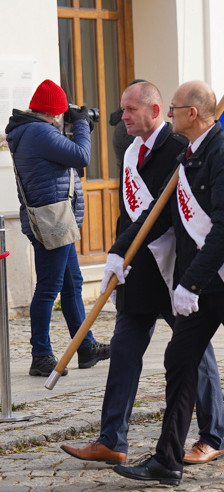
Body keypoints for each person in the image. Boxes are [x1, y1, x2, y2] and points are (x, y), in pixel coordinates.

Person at [104, 80, 224, 486]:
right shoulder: (190, 154)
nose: (169, 115)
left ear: (193, 113)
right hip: (200, 286)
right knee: (179, 364)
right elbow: (160, 214)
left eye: (175, 108)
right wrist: (120, 250)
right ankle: (167, 461)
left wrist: (191, 282)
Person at [59, 81, 224, 466]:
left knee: (195, 355)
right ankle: (112, 438)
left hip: (173, 269)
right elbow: (127, 212)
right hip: (137, 271)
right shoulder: (130, 150)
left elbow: (175, 213)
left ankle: (211, 436)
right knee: (123, 352)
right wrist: (116, 258)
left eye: (132, 110)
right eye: (123, 110)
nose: (124, 117)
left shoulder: (181, 148)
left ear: (155, 110)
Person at [5, 79, 110, 376]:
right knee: (49, 288)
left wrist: (76, 126)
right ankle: (41, 355)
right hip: (54, 221)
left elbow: (67, 155)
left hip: (58, 220)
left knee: (72, 283)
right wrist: (80, 124)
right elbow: (82, 157)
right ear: (54, 112)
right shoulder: (38, 132)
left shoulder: (33, 130)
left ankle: (85, 347)